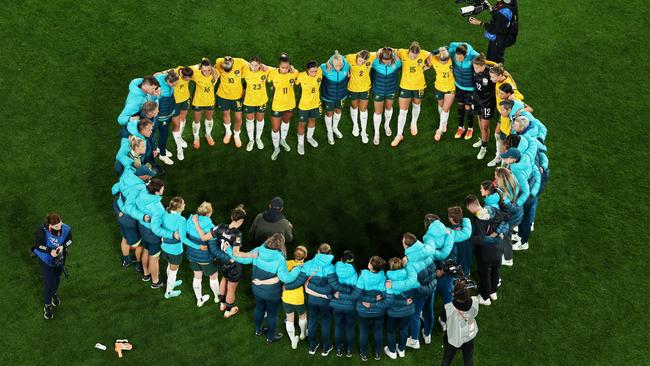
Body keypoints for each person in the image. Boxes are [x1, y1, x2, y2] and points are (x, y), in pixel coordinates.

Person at [233, 233, 302, 343]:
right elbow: (286, 278)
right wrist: (297, 269)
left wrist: (228, 250)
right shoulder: (280, 258)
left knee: (259, 308)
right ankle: (270, 337)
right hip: (272, 293)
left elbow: (243, 259)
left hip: (256, 289)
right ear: (281, 245)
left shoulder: (259, 249)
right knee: (272, 314)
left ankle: (258, 330)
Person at [191, 204, 252, 318]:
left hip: (221, 261)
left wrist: (196, 223)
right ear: (241, 220)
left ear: (231, 217)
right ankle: (228, 310)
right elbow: (236, 253)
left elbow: (204, 237)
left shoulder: (220, 227)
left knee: (224, 278)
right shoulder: (237, 234)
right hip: (232, 264)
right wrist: (251, 255)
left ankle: (222, 304)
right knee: (231, 288)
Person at [284, 243, 335, 356]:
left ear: (318, 251)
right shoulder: (331, 268)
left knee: (312, 321)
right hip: (325, 301)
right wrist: (322, 293)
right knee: (326, 322)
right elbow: (330, 288)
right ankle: (326, 348)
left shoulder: (307, 265)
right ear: (329, 252)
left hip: (312, 300)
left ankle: (312, 347)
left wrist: (287, 287)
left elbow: (299, 282)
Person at [335, 256, 386, 361]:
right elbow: (384, 295)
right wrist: (374, 299)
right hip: (379, 310)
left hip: (364, 311)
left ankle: (364, 354)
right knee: (378, 331)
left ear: (371, 265)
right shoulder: (383, 276)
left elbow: (356, 295)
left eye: (369, 261)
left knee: (364, 331)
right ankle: (377, 354)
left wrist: (340, 295)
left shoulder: (363, 276)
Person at [464, 194, 509, 305]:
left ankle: (485, 298)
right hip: (499, 247)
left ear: (470, 207)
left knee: (484, 274)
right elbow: (506, 217)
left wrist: (468, 237)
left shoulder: (478, 220)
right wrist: (497, 233)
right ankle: (493, 292)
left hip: (485, 252)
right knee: (495, 271)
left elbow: (480, 239)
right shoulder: (493, 210)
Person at [182, 202, 225, 307]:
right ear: (209, 213)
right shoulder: (211, 227)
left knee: (197, 276)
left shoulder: (190, 220)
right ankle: (217, 297)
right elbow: (214, 245)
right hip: (206, 257)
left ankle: (199, 299)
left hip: (192, 256)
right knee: (213, 276)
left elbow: (185, 235)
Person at [33, 213, 72, 320]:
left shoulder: (66, 228)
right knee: (49, 284)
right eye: (56, 226)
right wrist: (50, 251)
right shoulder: (42, 231)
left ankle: (54, 294)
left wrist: (63, 246)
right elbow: (38, 245)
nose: (59, 227)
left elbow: (69, 241)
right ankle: (47, 306)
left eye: (60, 224)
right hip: (45, 260)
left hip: (59, 259)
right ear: (50, 225)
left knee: (57, 280)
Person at [392, 42, 431, 147]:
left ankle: (413, 123)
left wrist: (428, 66)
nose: (413, 57)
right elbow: (392, 50)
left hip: (419, 86)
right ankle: (399, 135)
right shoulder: (402, 52)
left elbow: (432, 55)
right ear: (408, 50)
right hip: (405, 86)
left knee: (417, 104)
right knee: (403, 111)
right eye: (412, 55)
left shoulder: (423, 53)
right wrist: (395, 59)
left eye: (416, 55)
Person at [129, 178, 166, 288]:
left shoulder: (142, 194)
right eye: (162, 188)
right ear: (156, 192)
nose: (164, 189)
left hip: (142, 228)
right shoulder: (158, 208)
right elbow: (156, 229)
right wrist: (169, 234)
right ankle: (156, 281)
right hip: (152, 234)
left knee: (146, 250)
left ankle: (146, 274)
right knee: (154, 258)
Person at [402, 233, 437, 350]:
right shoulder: (427, 251)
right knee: (429, 311)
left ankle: (414, 340)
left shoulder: (409, 264)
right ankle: (427, 334)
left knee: (415, 315)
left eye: (403, 243)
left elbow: (412, 283)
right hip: (431, 287)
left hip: (420, 292)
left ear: (407, 245)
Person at [486, 64, 524, 167]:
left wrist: (513, 96)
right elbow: (495, 64)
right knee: (497, 134)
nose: (491, 79)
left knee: (504, 141)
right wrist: (484, 61)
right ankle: (498, 156)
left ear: (499, 75)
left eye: (493, 77)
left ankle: (503, 163)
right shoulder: (500, 79)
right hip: (502, 114)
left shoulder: (508, 84)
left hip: (507, 117)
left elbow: (520, 96)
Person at [111, 166, 147, 270]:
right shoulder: (137, 189)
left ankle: (126, 260)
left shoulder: (124, 180)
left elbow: (115, 191)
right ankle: (139, 265)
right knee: (138, 244)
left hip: (121, 215)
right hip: (130, 219)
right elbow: (133, 208)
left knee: (125, 238)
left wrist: (119, 211)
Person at [382, 257, 418, 359]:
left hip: (392, 312)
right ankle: (402, 350)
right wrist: (406, 302)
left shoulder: (388, 282)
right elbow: (415, 291)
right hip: (408, 311)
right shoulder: (410, 278)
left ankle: (392, 351)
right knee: (404, 329)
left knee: (390, 331)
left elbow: (389, 300)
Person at [150, 196, 186, 299]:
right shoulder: (181, 219)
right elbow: (182, 237)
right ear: (179, 208)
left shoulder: (165, 213)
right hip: (175, 250)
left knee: (170, 266)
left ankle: (171, 283)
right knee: (173, 271)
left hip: (165, 247)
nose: (184, 205)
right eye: (183, 204)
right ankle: (169, 292)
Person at [326, 250, 358, 357]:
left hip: (336, 304)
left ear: (341, 259)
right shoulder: (356, 272)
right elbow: (356, 291)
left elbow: (331, 284)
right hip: (350, 305)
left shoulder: (335, 268)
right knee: (349, 327)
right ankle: (349, 350)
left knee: (338, 326)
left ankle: (339, 349)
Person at [267, 53, 298, 160]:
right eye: (282, 67)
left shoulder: (294, 73)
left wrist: (292, 69)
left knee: (286, 122)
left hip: (290, 104)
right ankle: (276, 148)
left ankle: (283, 140)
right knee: (275, 128)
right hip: (277, 105)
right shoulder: (273, 74)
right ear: (278, 66)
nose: (284, 69)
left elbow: (301, 76)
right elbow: (266, 72)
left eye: (287, 67)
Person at [440, 281, 479, 366]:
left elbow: (443, 319)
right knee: (468, 358)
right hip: (469, 335)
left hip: (454, 337)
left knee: (447, 359)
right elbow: (475, 313)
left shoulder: (448, 308)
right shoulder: (475, 300)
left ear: (454, 294)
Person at [448, 42, 480, 140]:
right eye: (456, 57)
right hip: (458, 85)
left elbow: (482, 63)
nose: (457, 59)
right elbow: (451, 44)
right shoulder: (454, 51)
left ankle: (470, 128)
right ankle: (460, 127)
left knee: (468, 108)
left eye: (460, 58)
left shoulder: (473, 55)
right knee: (460, 106)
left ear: (465, 55)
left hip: (470, 88)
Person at [370, 47, 402, 145]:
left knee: (389, 108)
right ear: (380, 57)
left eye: (388, 62)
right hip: (378, 90)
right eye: (384, 61)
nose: (386, 63)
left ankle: (386, 125)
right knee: (378, 112)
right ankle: (376, 133)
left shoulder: (397, 62)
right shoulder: (374, 62)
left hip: (391, 90)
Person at [494, 166, 524, 267]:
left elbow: (509, 209)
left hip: (512, 218)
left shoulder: (504, 195)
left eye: (496, 177)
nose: (495, 178)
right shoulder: (513, 179)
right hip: (519, 214)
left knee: (507, 238)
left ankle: (508, 259)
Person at [216, 56, 248, 148]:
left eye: (229, 70)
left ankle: (236, 135)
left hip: (237, 96)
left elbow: (251, 65)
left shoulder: (240, 62)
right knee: (225, 114)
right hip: (223, 95)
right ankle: (228, 132)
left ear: (232, 65)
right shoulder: (219, 61)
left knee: (238, 117)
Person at [345, 50, 376, 143]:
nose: (361, 63)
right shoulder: (350, 57)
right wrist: (346, 71)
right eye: (360, 60)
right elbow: (338, 58)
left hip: (365, 88)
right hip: (352, 88)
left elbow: (380, 51)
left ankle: (363, 131)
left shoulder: (371, 57)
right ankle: (355, 125)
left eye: (363, 62)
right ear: (357, 56)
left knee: (363, 109)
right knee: (354, 106)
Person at [470, 54, 497, 160]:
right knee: (479, 121)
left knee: (485, 126)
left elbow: (500, 74)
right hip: (477, 100)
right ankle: (482, 139)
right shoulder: (475, 70)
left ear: (483, 66)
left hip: (487, 103)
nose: (475, 69)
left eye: (477, 67)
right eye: (474, 67)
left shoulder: (490, 73)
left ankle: (484, 148)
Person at [321, 51, 350, 145]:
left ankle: (335, 128)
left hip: (342, 95)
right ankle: (329, 132)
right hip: (328, 96)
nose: (338, 68)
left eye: (340, 66)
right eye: (336, 66)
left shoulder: (347, 65)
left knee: (338, 111)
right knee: (329, 114)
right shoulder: (324, 68)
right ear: (331, 63)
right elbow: (311, 72)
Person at [242, 56, 271, 151]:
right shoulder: (245, 70)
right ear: (249, 64)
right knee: (249, 120)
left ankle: (258, 138)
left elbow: (277, 70)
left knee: (260, 119)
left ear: (260, 65)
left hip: (261, 101)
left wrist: (265, 66)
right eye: (252, 65)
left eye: (256, 65)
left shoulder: (265, 70)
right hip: (249, 101)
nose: (254, 67)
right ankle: (251, 140)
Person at [295, 61, 322, 155]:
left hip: (315, 104)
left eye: (315, 71)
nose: (314, 73)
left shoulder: (320, 72)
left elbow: (329, 63)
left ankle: (309, 137)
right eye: (312, 71)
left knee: (312, 121)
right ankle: (300, 143)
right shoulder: (301, 76)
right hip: (304, 106)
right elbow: (294, 79)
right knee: (302, 124)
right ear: (307, 70)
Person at [190, 59, 219, 149]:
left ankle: (208, 135)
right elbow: (184, 71)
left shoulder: (215, 73)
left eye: (209, 70)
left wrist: (212, 69)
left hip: (210, 101)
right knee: (197, 121)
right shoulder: (196, 74)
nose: (207, 72)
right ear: (201, 69)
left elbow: (217, 74)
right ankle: (196, 137)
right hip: (197, 101)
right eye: (204, 70)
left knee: (209, 119)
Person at [153, 70, 179, 165]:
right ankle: (162, 155)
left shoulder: (166, 76)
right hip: (162, 115)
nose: (175, 86)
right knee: (163, 134)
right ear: (168, 81)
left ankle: (160, 147)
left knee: (164, 133)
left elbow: (160, 73)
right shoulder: (158, 87)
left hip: (169, 110)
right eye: (174, 84)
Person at [430, 47, 456, 142]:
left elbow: (451, 47)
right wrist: (436, 51)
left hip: (450, 88)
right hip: (439, 87)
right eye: (442, 60)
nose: (444, 62)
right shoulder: (434, 59)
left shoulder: (451, 59)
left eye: (446, 60)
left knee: (445, 109)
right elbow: (430, 55)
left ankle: (440, 130)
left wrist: (444, 48)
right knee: (441, 106)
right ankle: (444, 123)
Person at [170, 66, 193, 161]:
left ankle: (180, 138)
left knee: (183, 120)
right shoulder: (173, 73)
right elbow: (162, 74)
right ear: (182, 75)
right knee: (176, 125)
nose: (188, 80)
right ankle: (179, 148)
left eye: (189, 78)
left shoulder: (188, 71)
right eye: (186, 78)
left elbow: (197, 66)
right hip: (174, 102)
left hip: (185, 99)